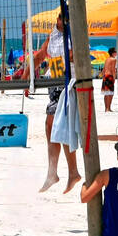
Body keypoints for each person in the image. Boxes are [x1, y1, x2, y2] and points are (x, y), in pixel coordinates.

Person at [39, 14, 80, 194]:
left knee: (57, 126)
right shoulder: (53, 34)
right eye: (60, 17)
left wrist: (72, 55)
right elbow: (40, 54)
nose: (62, 20)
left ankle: (64, 173)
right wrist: (25, 76)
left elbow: (78, 56)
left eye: (66, 18)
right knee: (51, 128)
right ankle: (58, 172)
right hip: (53, 82)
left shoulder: (76, 34)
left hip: (68, 83)